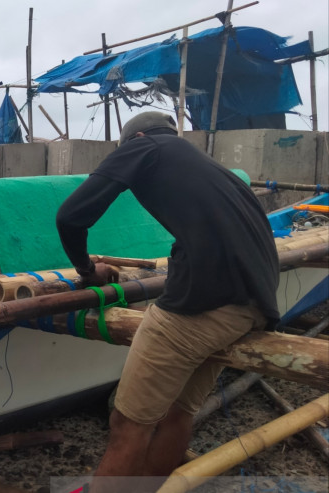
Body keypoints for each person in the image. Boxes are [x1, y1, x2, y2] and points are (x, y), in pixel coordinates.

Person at [55, 111, 280, 492]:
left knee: (128, 423)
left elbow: (70, 217)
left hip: (200, 309)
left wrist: (87, 269)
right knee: (179, 410)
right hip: (253, 304)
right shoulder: (210, 166)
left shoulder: (143, 146)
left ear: (137, 137)